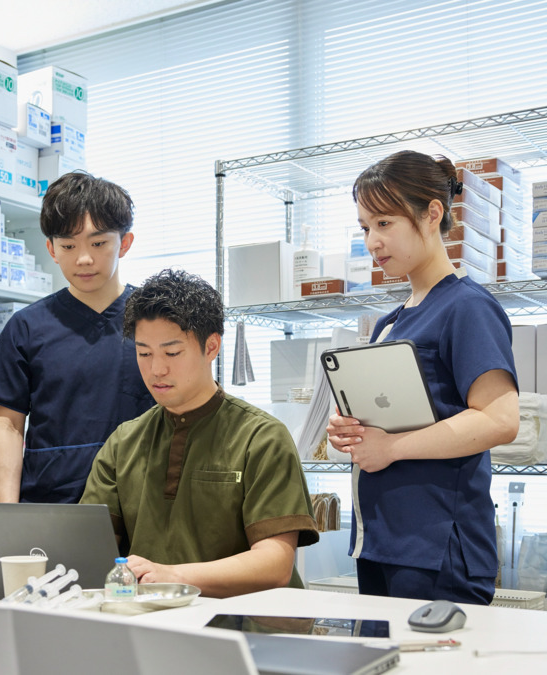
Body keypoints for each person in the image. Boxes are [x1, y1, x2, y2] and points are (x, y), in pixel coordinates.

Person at [327, 150, 519, 605]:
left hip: (436, 548)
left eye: (385, 223)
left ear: (432, 213)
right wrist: (350, 431)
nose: (373, 241)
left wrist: (390, 448)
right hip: (380, 541)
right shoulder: (389, 323)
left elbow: (499, 420)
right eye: (365, 227)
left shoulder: (467, 307)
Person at [81, 269, 318, 599]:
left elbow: (274, 564)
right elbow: (89, 549)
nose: (156, 369)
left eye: (172, 353)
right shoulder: (124, 442)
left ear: (211, 346)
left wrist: (172, 575)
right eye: (144, 353)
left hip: (248, 628)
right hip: (152, 624)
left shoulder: (262, 438)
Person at [0, 172, 155, 504]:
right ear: (51, 249)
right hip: (51, 505)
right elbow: (8, 426)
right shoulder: (27, 327)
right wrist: (7, 514)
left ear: (124, 243)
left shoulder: (157, 322)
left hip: (146, 506)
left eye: (99, 243)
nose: (83, 258)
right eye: (68, 246)